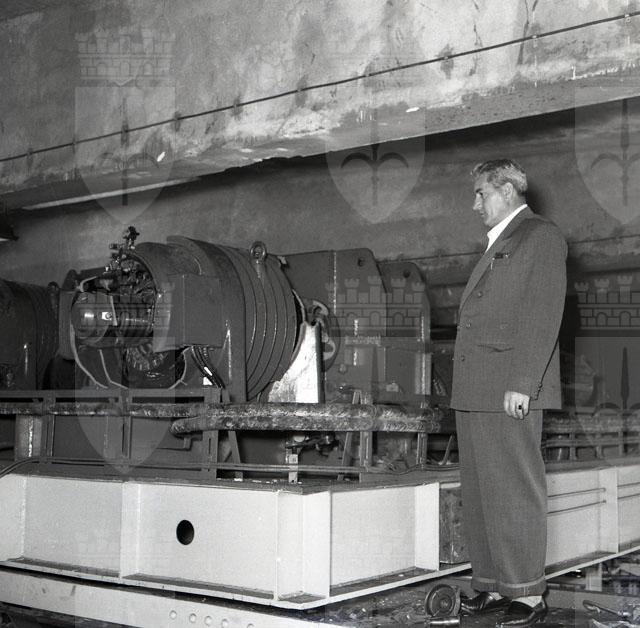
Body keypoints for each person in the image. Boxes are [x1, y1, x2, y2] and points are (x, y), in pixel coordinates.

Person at [450, 159, 567, 628]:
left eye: (481, 193)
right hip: (476, 387)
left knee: (515, 490)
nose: (474, 204)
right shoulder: (499, 242)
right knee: (481, 493)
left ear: (506, 190)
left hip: (507, 387)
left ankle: (528, 594)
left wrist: (523, 382)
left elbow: (543, 313)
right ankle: (494, 584)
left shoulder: (539, 236)